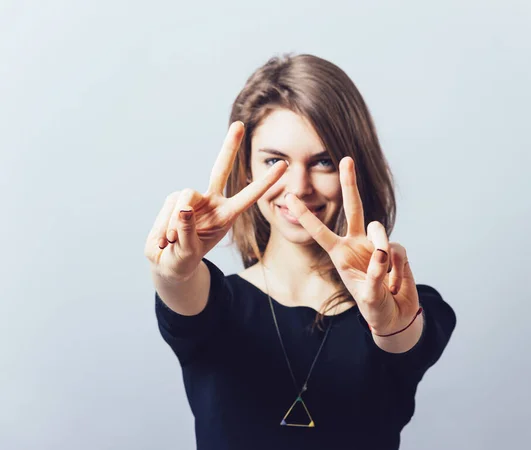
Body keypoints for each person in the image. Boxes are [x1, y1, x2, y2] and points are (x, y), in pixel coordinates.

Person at [144, 54, 457, 450]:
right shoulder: (217, 305)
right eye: (275, 161)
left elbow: (404, 338)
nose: (299, 187)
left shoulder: (402, 306)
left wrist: (389, 322)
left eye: (323, 162)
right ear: (247, 172)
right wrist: (172, 271)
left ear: (355, 170)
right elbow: (181, 291)